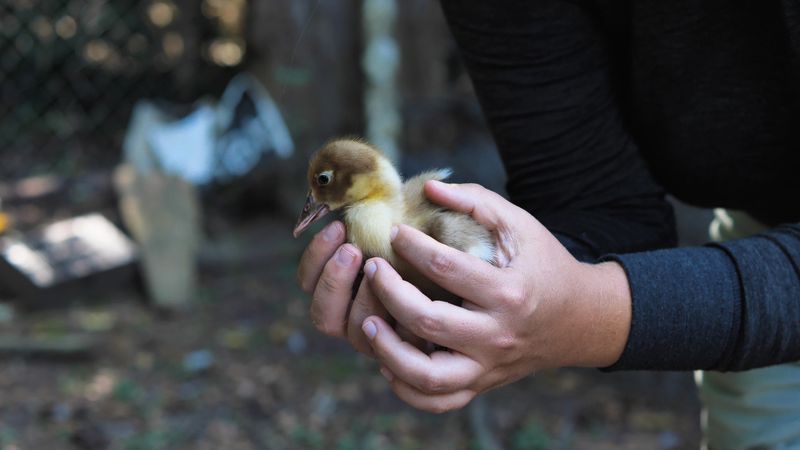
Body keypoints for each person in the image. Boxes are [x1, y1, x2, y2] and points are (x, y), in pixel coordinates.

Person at [297, 2, 800, 448]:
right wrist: (487, 310)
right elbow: (599, 205)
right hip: (760, 229)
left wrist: (582, 314)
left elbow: (582, 303)